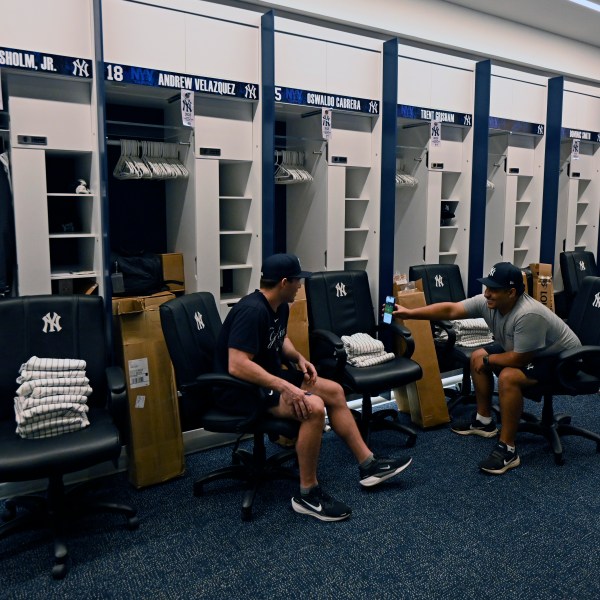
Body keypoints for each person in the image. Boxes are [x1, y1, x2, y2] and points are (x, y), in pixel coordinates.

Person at [215, 253, 412, 521]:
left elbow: (279, 338)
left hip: (269, 380)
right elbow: (237, 364)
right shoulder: (251, 311)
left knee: (334, 391)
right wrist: (286, 386)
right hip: (241, 391)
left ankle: (369, 465)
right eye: (298, 281)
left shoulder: (279, 306)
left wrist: (298, 358)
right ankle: (307, 494)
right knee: (314, 407)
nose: (300, 286)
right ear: (284, 282)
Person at [392, 261, 581, 475]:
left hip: (562, 362)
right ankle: (484, 421)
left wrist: (491, 361)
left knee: (508, 376)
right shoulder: (488, 302)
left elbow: (518, 359)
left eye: (493, 289)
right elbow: (451, 309)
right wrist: (409, 313)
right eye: (487, 287)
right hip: (531, 351)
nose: (487, 293)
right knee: (478, 355)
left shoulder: (528, 314)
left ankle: (508, 449)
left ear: (511, 292)